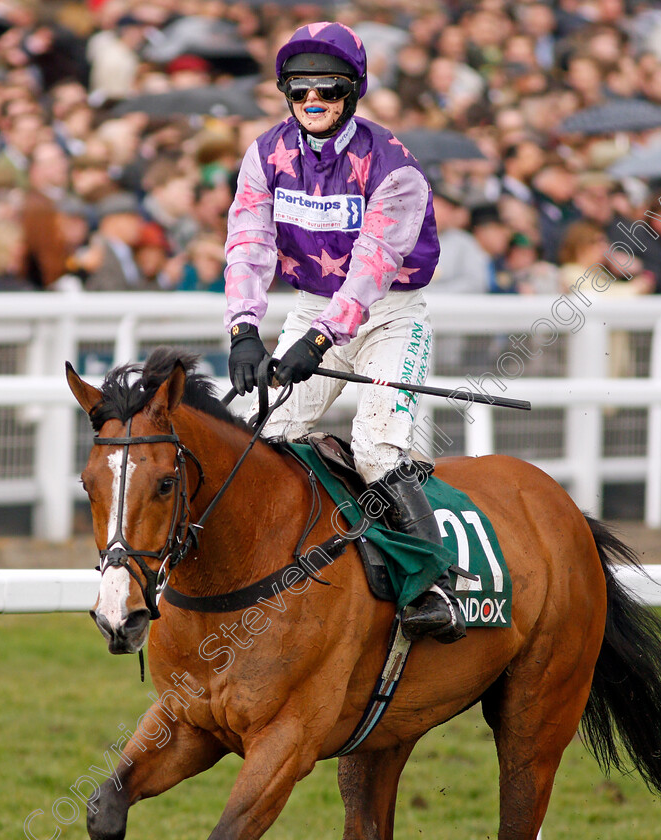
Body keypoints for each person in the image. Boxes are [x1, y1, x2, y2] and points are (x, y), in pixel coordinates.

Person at [223, 22, 465, 644]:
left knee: (380, 446)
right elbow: (249, 244)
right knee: (263, 433)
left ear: (353, 91)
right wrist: (245, 330)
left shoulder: (394, 167)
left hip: (389, 313)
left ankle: (432, 582)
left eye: (327, 90)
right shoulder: (264, 155)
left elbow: (370, 272)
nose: (312, 104)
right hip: (312, 307)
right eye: (299, 92)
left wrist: (322, 341)